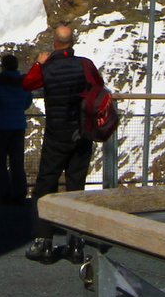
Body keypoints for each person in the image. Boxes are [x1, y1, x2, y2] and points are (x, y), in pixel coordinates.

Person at [22, 24, 104, 265]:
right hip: (82, 134)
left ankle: (43, 243)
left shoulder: (48, 67)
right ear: (72, 42)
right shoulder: (86, 65)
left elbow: (27, 84)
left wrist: (40, 63)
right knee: (76, 187)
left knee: (45, 187)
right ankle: (76, 244)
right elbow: (98, 87)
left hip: (57, 135)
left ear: (55, 43)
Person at [0, 53, 33, 205]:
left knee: (0, 161)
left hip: (1, 125)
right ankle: (20, 193)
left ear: (3, 66)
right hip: (18, 125)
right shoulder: (23, 83)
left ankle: (4, 194)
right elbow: (27, 102)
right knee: (17, 161)